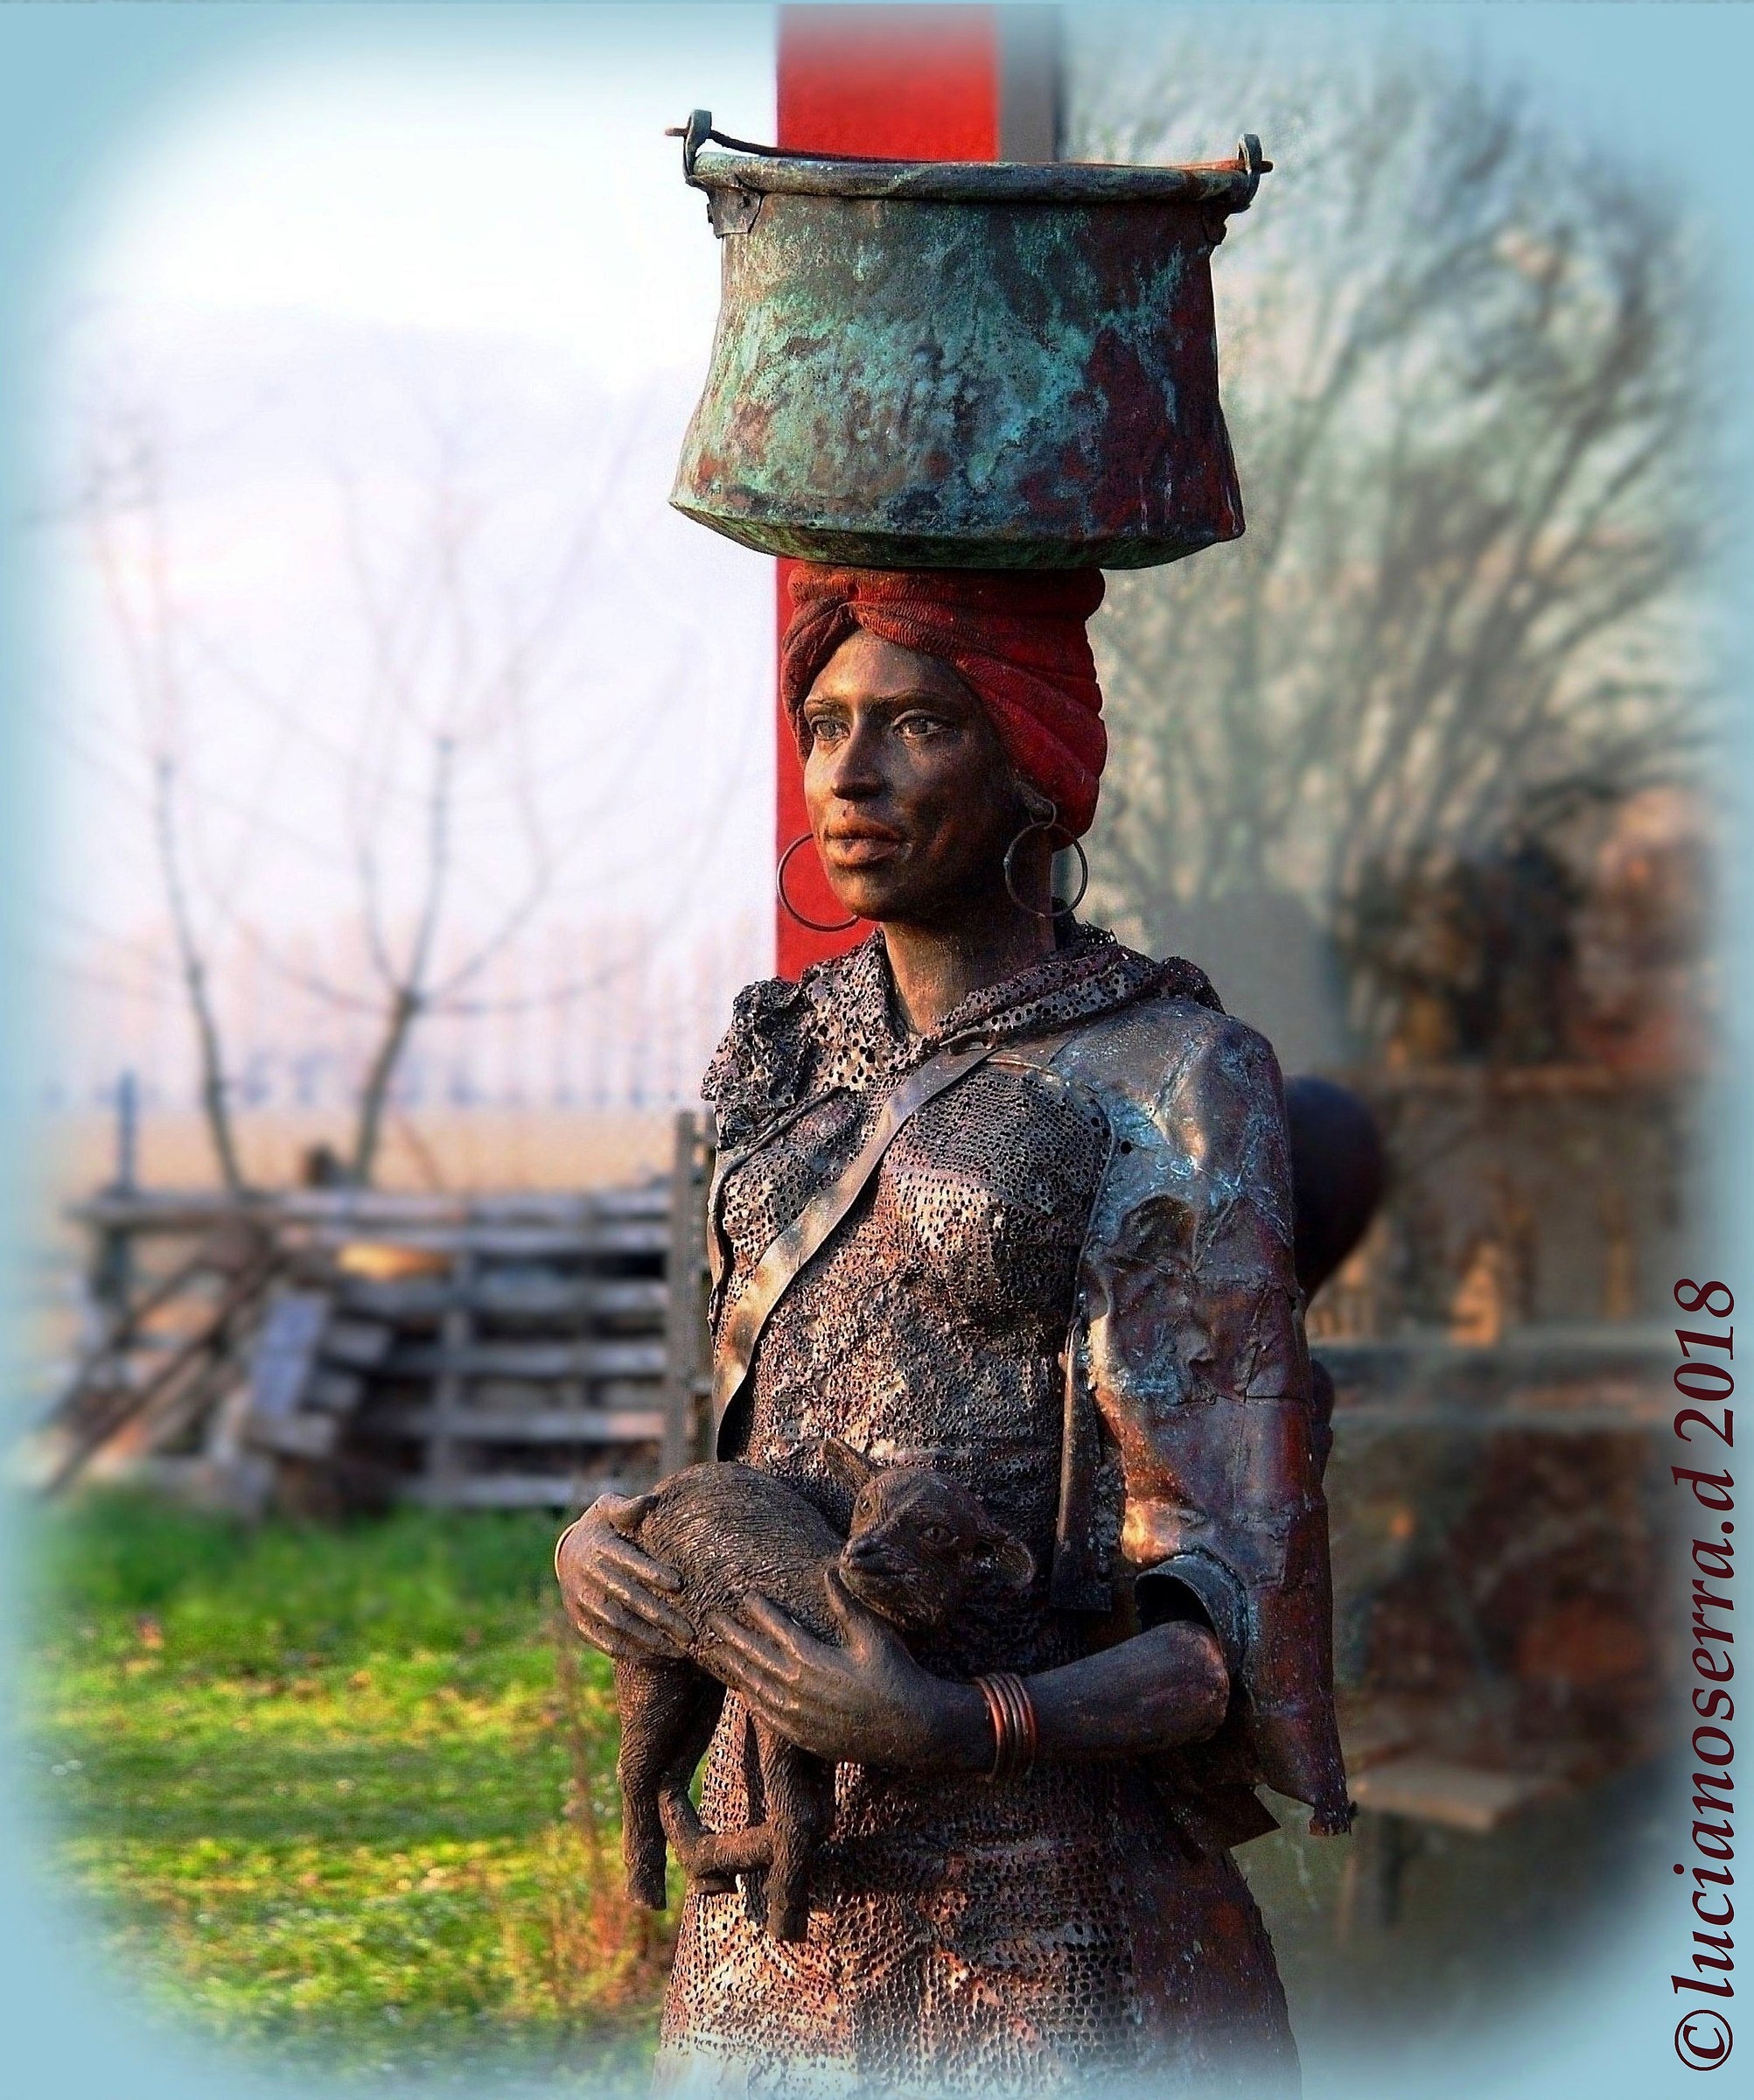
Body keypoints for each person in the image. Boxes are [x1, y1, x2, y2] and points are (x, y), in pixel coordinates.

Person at [556, 564, 1349, 2096]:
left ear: (1029, 761)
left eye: (914, 725)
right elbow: (731, 1441)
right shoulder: (780, 1059)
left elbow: (1230, 1621)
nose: (847, 773)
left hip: (1048, 1890)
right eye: (824, 723)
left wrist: (961, 1720)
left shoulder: (1172, 1070)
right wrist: (621, 1540)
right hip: (765, 1895)